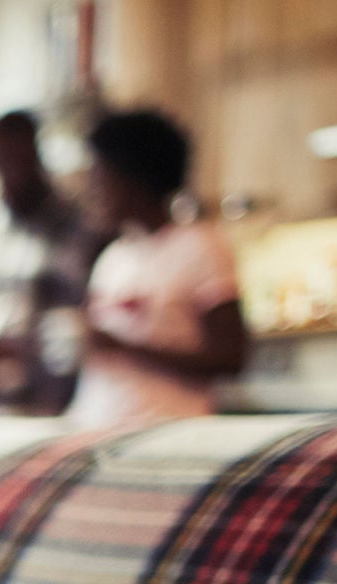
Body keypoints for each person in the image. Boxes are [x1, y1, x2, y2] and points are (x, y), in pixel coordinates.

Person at [68, 108, 249, 427]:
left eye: (99, 175)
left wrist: (125, 347)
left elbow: (231, 356)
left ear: (134, 175)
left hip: (167, 434)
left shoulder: (202, 246)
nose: (90, 189)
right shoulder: (114, 256)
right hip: (96, 429)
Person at [0, 110, 104, 416]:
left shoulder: (81, 231)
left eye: (15, 157)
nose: (6, 170)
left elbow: (82, 329)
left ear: (35, 154)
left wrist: (7, 350)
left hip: (51, 408)